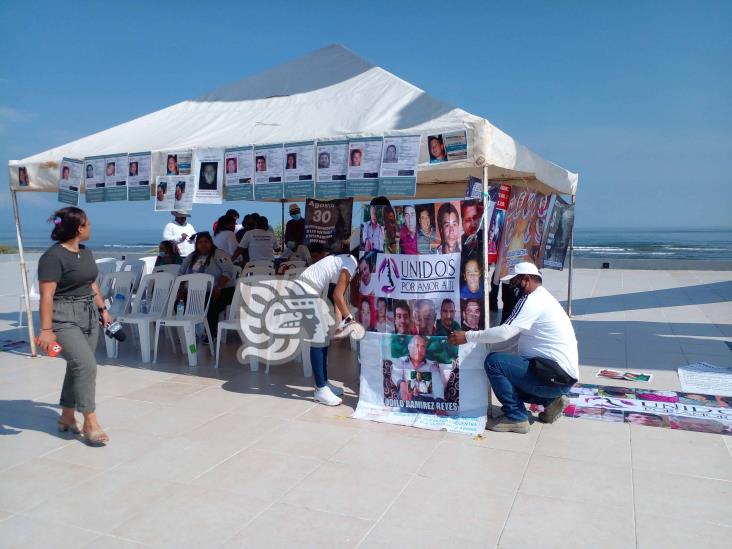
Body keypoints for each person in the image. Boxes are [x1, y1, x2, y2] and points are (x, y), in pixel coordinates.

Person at [448, 262, 579, 434]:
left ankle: (516, 417)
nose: (512, 287)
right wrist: (483, 346)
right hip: (561, 378)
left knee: (494, 363)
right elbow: (513, 339)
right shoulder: (545, 298)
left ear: (525, 280)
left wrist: (468, 336)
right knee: (505, 365)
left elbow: (505, 333)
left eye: (514, 282)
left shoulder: (531, 300)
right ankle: (552, 401)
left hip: (553, 376)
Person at [37, 207, 110, 446]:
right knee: (86, 365)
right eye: (88, 223)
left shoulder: (86, 252)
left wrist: (102, 308)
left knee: (76, 366)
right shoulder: (52, 257)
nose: (91, 227)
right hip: (63, 316)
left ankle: (67, 416)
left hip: (88, 314)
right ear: (79, 227)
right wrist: (46, 331)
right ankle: (90, 420)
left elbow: (91, 284)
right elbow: (46, 296)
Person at [298, 247, 359, 405]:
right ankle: (320, 389)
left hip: (308, 291)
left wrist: (340, 322)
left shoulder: (345, 260)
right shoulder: (352, 263)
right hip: (303, 292)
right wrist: (350, 319)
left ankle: (324, 383)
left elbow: (338, 297)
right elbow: (338, 296)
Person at [179, 232, 238, 343]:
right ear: (196, 244)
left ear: (211, 243)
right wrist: (181, 288)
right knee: (178, 303)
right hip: (196, 292)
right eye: (200, 242)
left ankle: (211, 334)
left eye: (206, 242)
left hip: (222, 290)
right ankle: (189, 332)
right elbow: (181, 273)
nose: (203, 244)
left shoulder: (219, 254)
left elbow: (228, 272)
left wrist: (219, 287)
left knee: (211, 303)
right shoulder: (192, 256)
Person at [391, 335, 443, 402]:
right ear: (409, 347)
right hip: (406, 403)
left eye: (423, 347)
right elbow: (396, 374)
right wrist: (402, 384)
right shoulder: (401, 361)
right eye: (417, 345)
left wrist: (439, 402)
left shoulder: (432, 366)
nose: (419, 350)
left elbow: (438, 387)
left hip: (425, 404)